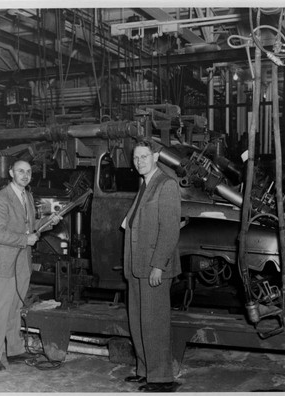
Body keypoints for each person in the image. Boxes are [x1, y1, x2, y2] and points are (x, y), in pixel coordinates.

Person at [0, 159, 59, 371]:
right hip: (4, 264)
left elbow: (28, 227)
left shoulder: (27, 196)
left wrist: (46, 222)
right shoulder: (0, 199)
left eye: (28, 172)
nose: (25, 175)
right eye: (20, 171)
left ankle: (15, 350)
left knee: (15, 307)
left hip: (22, 262)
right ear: (11, 173)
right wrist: (24, 240)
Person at [122, 139, 182, 392]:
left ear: (156, 156)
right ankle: (145, 370)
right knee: (138, 321)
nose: (139, 162)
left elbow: (169, 230)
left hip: (153, 267)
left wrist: (159, 265)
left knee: (155, 323)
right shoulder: (145, 184)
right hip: (137, 265)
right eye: (136, 158)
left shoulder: (166, 184)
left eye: (144, 157)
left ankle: (162, 378)